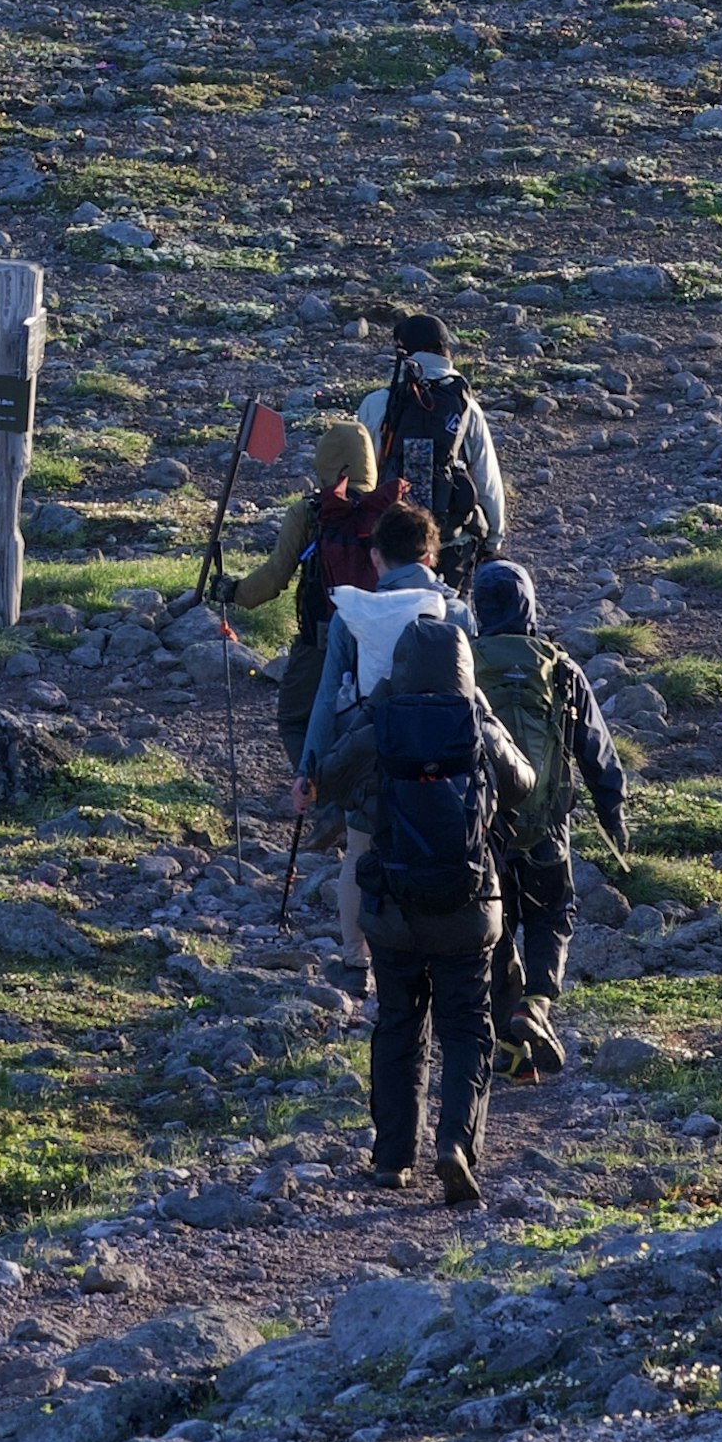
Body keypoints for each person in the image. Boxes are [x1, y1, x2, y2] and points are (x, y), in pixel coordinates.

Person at [299, 502, 551, 1204]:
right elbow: (524, 783)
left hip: (393, 903)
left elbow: (332, 776)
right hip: (469, 902)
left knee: (399, 1022)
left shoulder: (381, 717)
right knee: (466, 1022)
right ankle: (455, 1144)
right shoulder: (476, 716)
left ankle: (390, 1156)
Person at [466, 555, 630, 1076]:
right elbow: (596, 750)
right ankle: (535, 1006)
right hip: (546, 825)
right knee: (552, 914)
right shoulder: (559, 668)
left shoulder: (463, 662)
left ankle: (509, 1041)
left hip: (482, 829)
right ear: (530, 606)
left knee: (495, 926)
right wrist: (613, 810)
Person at [232, 414, 386, 780]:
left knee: (294, 718)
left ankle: (320, 792)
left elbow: (274, 578)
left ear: (324, 461)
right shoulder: (393, 511)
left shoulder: (309, 513)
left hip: (320, 642)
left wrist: (234, 593)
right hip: (384, 641)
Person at [361, 311, 508, 583]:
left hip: (393, 544)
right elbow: (486, 478)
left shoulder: (378, 403)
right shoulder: (465, 406)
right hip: (453, 540)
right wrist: (493, 539)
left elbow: (365, 475)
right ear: (444, 349)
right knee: (452, 619)